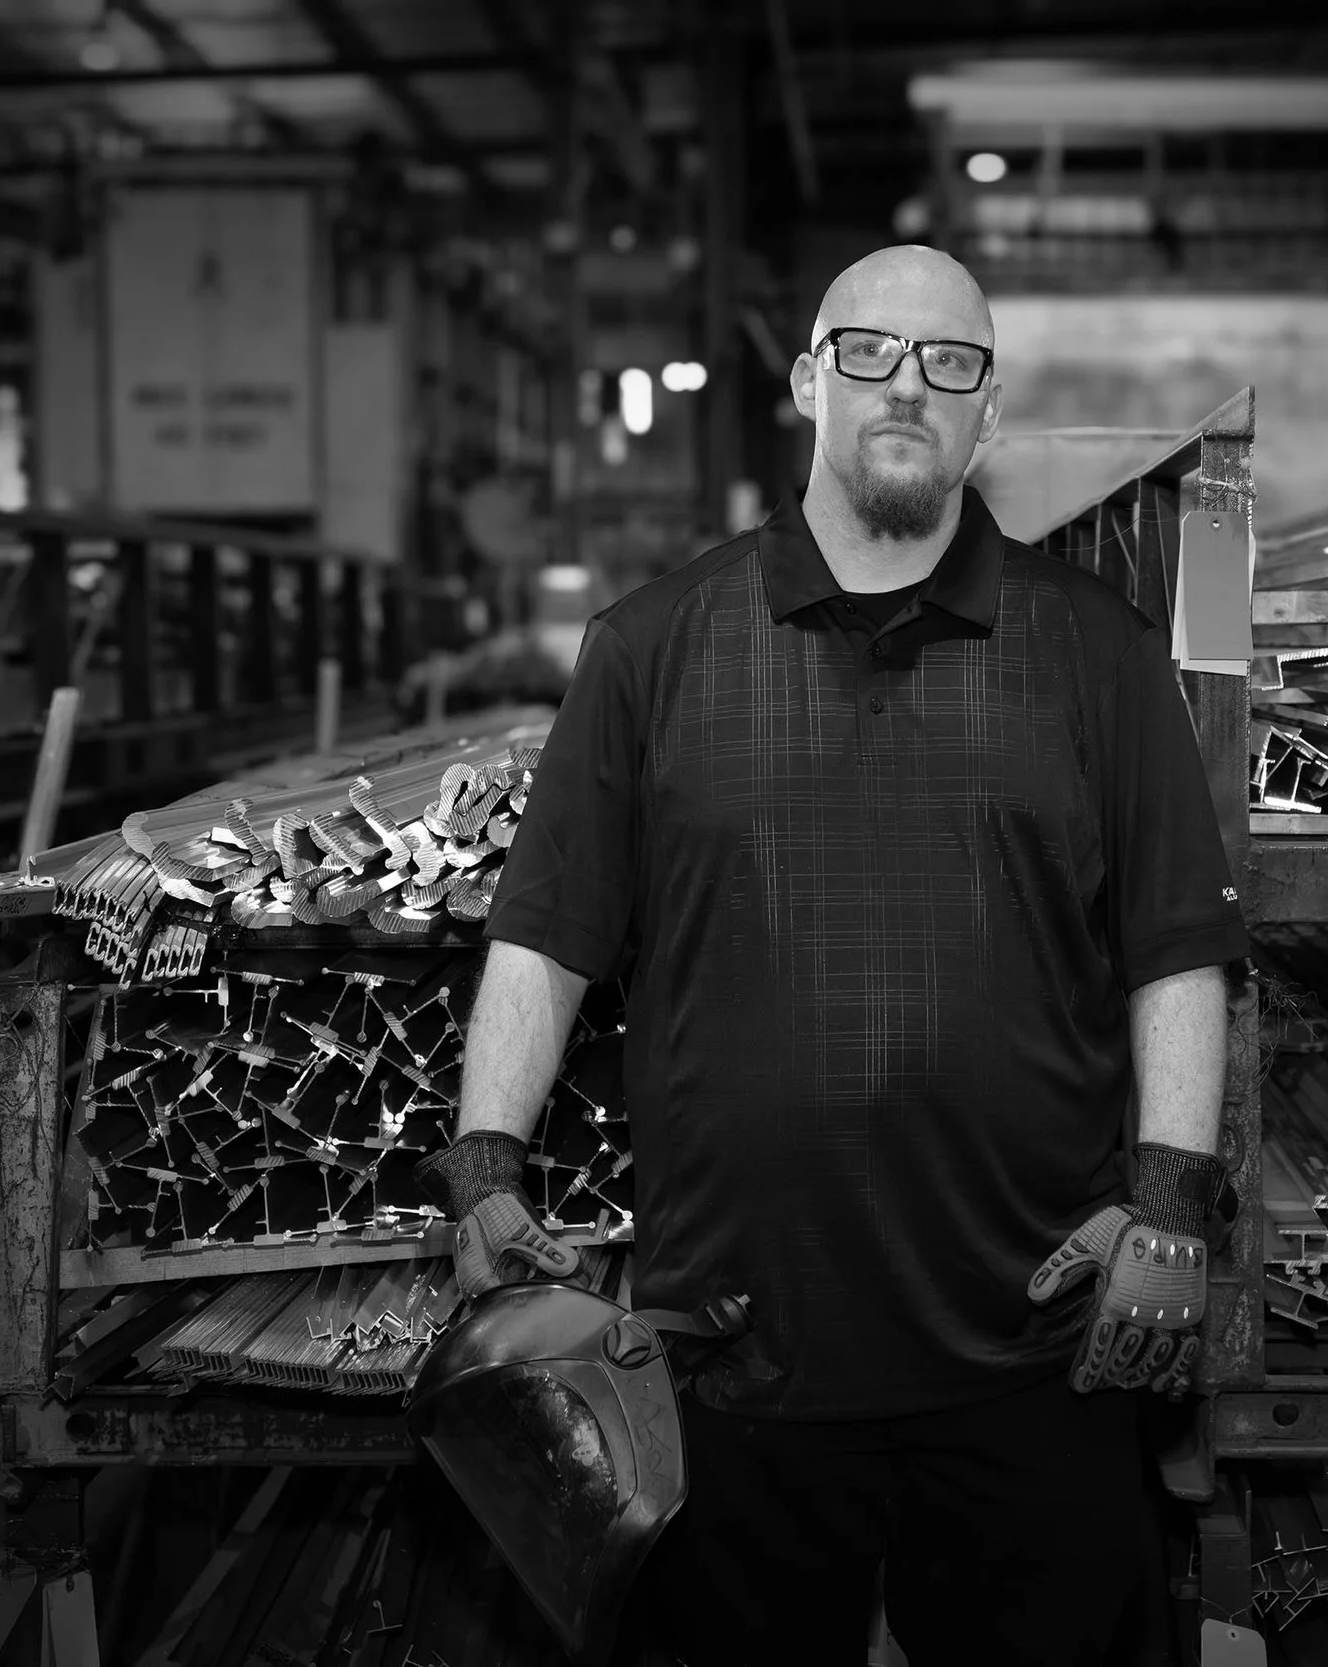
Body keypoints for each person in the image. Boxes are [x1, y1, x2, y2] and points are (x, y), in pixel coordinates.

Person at [415, 244, 1249, 1664]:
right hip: (732, 1353)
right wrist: (484, 1158)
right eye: (870, 353)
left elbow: (1175, 950)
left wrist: (1172, 1200)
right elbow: (547, 936)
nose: (907, 388)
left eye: (950, 364)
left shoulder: (1096, 655)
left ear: (988, 411)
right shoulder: (654, 647)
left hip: (1031, 1343)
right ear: (809, 380)